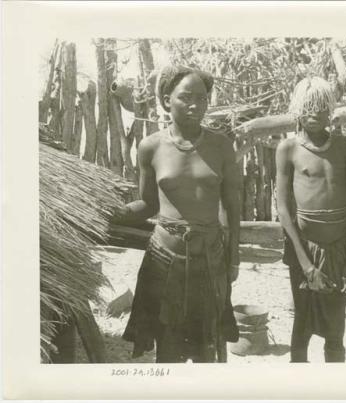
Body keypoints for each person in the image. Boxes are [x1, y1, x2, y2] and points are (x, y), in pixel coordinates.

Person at [114, 65, 241, 363]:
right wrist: (110, 213)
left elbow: (233, 207)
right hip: (164, 260)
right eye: (186, 97)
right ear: (167, 99)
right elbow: (149, 205)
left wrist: (233, 258)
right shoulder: (150, 147)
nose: (195, 104)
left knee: (208, 348)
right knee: (168, 347)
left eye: (202, 97)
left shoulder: (221, 145)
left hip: (209, 257)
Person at [276, 76, 346, 363]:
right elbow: (284, 208)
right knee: (302, 325)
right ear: (297, 108)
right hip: (303, 249)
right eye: (307, 106)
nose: (313, 113)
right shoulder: (288, 148)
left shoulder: (345, 147)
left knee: (336, 329)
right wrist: (306, 265)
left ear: (331, 111)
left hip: (338, 250)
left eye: (321, 107)